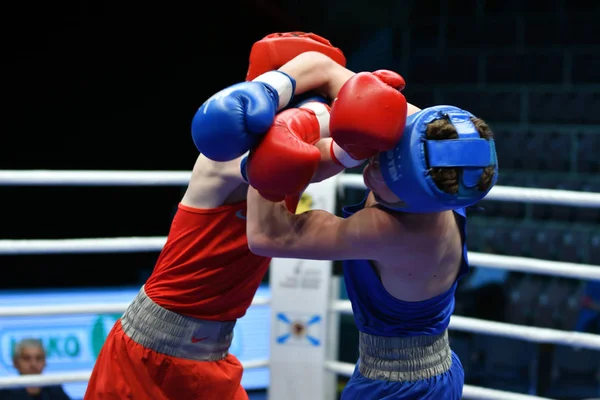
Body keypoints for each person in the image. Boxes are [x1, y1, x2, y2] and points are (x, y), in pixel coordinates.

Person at [84, 32, 356, 400]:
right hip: (148, 355)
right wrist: (324, 105)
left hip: (212, 357)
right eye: (322, 96)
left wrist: (375, 118)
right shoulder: (226, 155)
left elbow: (337, 151)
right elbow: (296, 153)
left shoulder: (294, 153)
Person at [244, 73, 499, 397]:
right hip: (433, 369)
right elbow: (327, 69)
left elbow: (267, 235)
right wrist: (279, 83)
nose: (372, 169)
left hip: (398, 389)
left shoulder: (390, 231)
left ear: (414, 198)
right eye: (385, 155)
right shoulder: (442, 167)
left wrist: (266, 143)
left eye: (388, 176)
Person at [0, 338, 71, 400]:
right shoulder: (4, 393)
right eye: (26, 358)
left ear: (45, 362)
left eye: (39, 358)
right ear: (15, 362)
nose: (33, 364)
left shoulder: (55, 391)